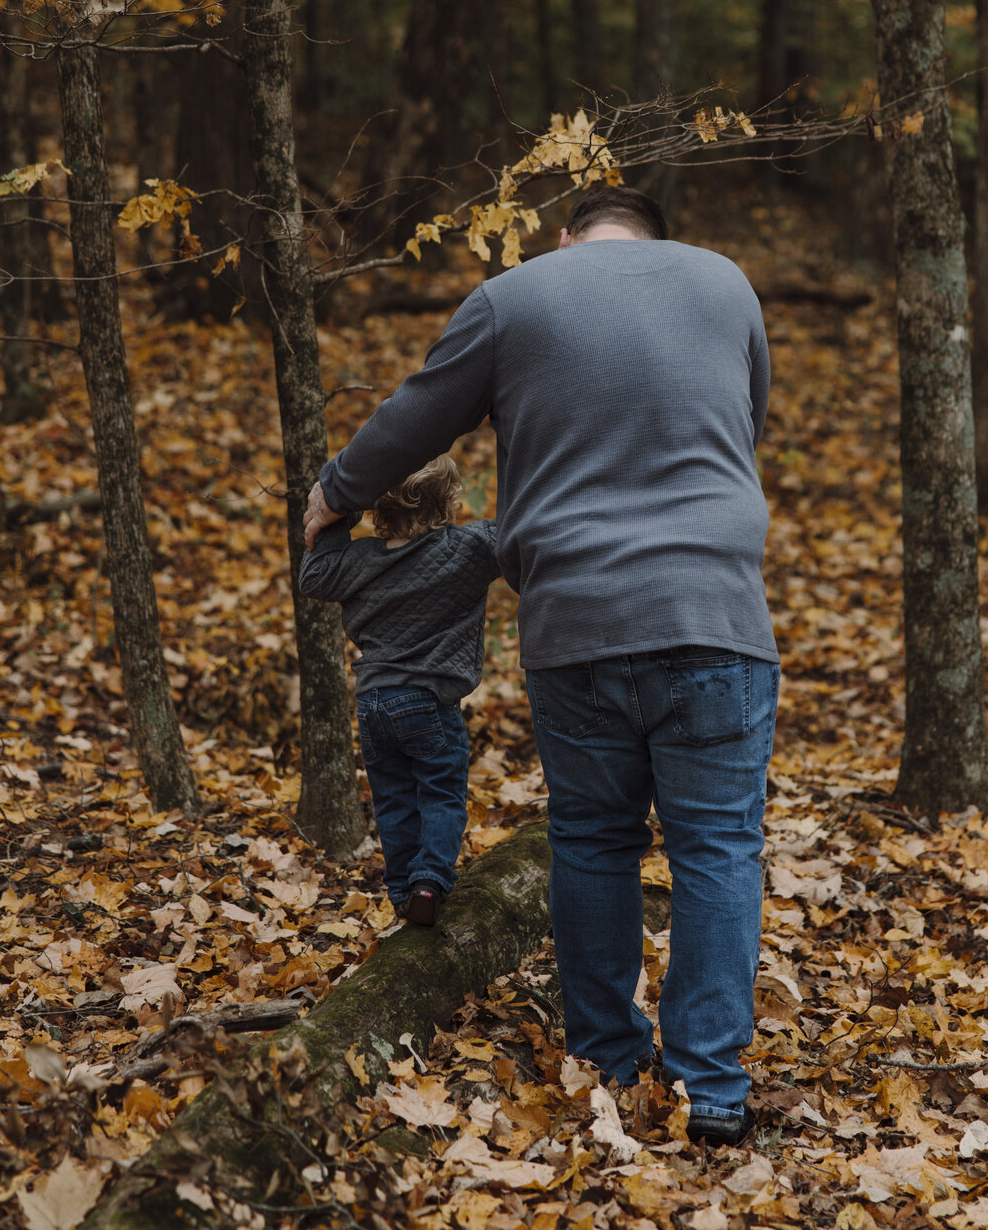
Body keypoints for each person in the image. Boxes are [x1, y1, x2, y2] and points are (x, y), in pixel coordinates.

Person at [303, 184, 779, 1145]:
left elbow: (419, 416)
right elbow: (747, 422)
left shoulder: (518, 293)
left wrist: (334, 490)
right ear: (658, 239)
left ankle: (605, 1055)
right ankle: (714, 1090)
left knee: (596, 839)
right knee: (719, 847)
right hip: (715, 614)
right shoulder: (727, 286)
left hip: (579, 621)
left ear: (565, 239)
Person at [298, 454, 498, 926]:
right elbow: (519, 532)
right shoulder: (468, 548)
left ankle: (403, 891)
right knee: (442, 792)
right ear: (451, 500)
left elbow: (313, 575)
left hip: (373, 703)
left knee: (392, 799)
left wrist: (338, 512)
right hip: (429, 701)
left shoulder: (359, 559)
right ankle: (430, 878)